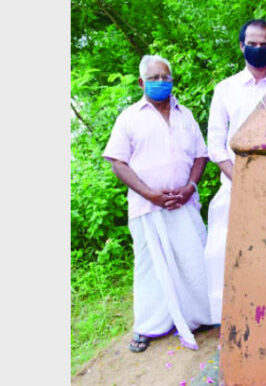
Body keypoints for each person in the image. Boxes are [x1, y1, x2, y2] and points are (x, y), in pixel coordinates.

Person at [103, 55, 211, 353]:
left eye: (166, 77)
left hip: (183, 203)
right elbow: (117, 162)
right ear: (141, 82)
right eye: (154, 78)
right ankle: (149, 326)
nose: (162, 82)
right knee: (149, 266)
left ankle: (201, 315)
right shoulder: (129, 117)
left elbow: (201, 155)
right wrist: (150, 193)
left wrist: (190, 187)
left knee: (193, 259)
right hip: (147, 206)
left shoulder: (185, 114)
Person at [205, 19, 266, 326]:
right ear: (241, 45)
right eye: (252, 43)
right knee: (228, 256)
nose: (258, 49)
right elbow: (215, 146)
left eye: (264, 44)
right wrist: (243, 182)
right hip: (235, 189)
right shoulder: (226, 90)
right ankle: (231, 320)